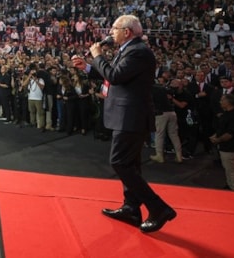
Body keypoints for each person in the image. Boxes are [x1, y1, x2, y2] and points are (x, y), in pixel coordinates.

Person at [72, 15, 176, 233]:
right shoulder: (128, 50)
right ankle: (131, 208)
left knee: (119, 162)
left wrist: (97, 56)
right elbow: (113, 77)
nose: (110, 33)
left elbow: (116, 76)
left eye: (114, 28)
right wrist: (88, 68)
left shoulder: (138, 51)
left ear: (126, 31)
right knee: (131, 165)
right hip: (128, 115)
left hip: (131, 116)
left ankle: (158, 208)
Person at [210, 94, 234, 191]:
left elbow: (230, 133)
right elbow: (222, 129)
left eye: (222, 100)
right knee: (228, 169)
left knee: (232, 170)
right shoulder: (227, 114)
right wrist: (215, 136)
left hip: (231, 147)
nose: (220, 102)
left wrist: (217, 140)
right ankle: (230, 186)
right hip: (225, 147)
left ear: (228, 102)